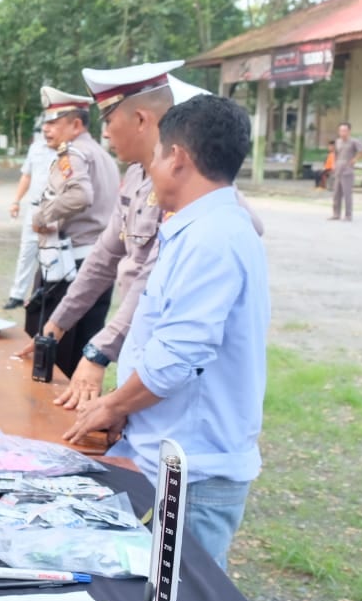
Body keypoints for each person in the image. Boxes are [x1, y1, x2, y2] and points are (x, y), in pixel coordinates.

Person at [65, 94, 269, 571]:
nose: (150, 169)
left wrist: (110, 405)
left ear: (177, 158)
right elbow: (159, 341)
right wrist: (125, 412)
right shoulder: (199, 228)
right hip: (167, 452)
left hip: (194, 469)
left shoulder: (212, 238)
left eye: (157, 155)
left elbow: (175, 359)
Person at [21, 62, 262, 411]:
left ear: (140, 120)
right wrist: (56, 324)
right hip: (146, 355)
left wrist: (99, 351)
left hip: (179, 376)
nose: (104, 133)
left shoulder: (190, 188)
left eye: (107, 120)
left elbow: (150, 279)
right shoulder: (137, 176)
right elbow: (104, 258)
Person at [23, 86, 118, 378]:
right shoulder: (102, 155)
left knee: (53, 360)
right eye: (45, 122)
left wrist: (42, 215)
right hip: (98, 265)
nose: (46, 129)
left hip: (71, 266)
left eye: (54, 122)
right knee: (81, 354)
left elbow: (80, 195)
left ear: (76, 125)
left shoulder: (73, 153)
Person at [3, 134, 55, 310]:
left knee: (51, 254)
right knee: (26, 252)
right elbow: (26, 176)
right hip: (34, 207)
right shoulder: (36, 148)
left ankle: (45, 294)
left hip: (55, 208)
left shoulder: (67, 149)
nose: (48, 129)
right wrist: (16, 201)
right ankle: (17, 295)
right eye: (46, 125)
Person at [330, 121, 362, 221]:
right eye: (341, 130)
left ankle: (348, 215)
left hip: (347, 169)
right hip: (338, 168)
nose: (343, 132)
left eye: (345, 130)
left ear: (349, 131)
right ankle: (336, 214)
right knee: (336, 193)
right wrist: (334, 164)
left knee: (347, 193)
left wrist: (355, 159)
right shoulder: (338, 141)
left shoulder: (353, 141)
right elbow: (336, 154)